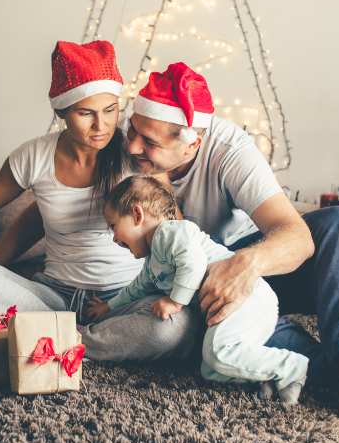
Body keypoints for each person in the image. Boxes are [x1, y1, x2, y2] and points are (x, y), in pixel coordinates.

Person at [7, 61, 339, 432]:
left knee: (335, 223)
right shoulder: (118, 146)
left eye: (147, 141)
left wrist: (247, 265)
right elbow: (49, 203)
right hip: (187, 291)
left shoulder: (228, 150)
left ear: (193, 143)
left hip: (243, 261)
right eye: (132, 131)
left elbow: (296, 237)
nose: (131, 145)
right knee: (232, 340)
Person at [0, 40, 197, 361]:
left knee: (173, 327)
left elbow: (177, 232)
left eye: (110, 110)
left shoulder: (136, 157)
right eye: (85, 113)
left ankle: (62, 338)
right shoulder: (34, 155)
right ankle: (86, 340)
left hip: (125, 296)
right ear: (61, 111)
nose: (101, 126)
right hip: (51, 296)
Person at [87, 174, 309, 405]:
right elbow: (136, 289)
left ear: (136, 214)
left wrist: (175, 302)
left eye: (113, 226)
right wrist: (108, 306)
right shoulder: (153, 262)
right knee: (210, 369)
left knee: (218, 353)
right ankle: (266, 375)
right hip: (229, 309)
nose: (114, 238)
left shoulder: (171, 233)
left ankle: (292, 366)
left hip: (247, 298)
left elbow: (192, 264)